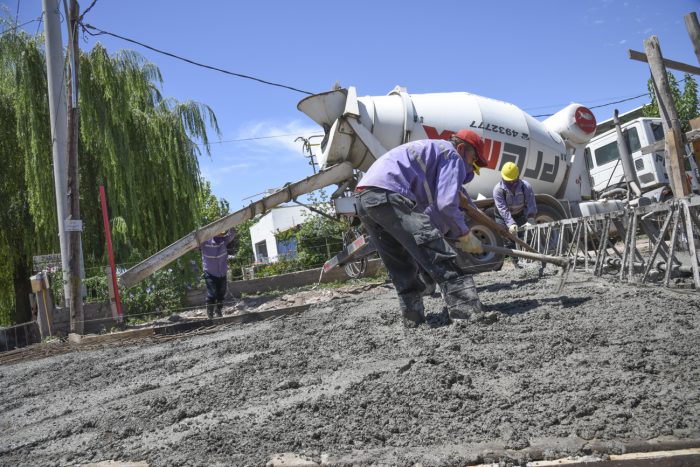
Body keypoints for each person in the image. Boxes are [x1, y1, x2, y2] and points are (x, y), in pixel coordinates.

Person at [354, 129, 488, 328]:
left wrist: (437, 231)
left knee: (400, 264)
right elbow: (446, 205)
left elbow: (430, 211)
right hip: (389, 193)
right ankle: (468, 314)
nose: (472, 165)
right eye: (474, 158)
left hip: (365, 198)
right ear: (461, 148)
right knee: (440, 254)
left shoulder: (431, 154)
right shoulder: (451, 154)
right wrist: (464, 234)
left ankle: (413, 320)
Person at [493, 161, 537, 268]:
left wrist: (530, 219)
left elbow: (531, 203)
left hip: (519, 214)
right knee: (509, 240)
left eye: (514, 181)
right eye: (508, 182)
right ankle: (516, 264)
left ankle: (530, 261)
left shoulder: (525, 186)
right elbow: (503, 210)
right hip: (503, 217)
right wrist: (511, 224)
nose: (511, 184)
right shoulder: (498, 190)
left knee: (526, 237)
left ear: (518, 177)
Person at [201, 230, 234, 318]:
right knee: (212, 293)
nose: (220, 236)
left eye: (221, 234)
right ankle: (210, 314)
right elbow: (195, 243)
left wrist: (230, 223)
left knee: (221, 293)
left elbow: (232, 233)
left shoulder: (223, 241)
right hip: (210, 272)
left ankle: (218, 311)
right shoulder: (205, 242)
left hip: (222, 272)